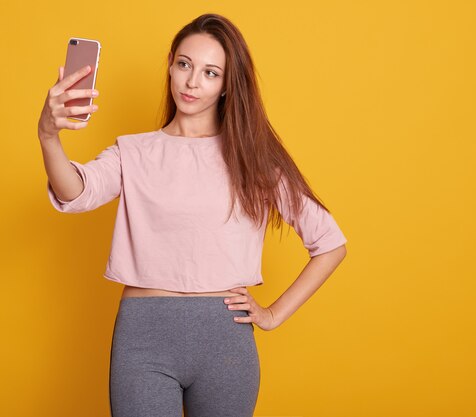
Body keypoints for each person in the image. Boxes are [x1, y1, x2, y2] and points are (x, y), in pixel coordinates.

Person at [37, 13, 347, 417]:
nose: (192, 81)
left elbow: (330, 244)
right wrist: (47, 135)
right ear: (170, 65)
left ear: (226, 86)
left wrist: (273, 314)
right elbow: (76, 191)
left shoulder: (253, 160)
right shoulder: (134, 151)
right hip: (142, 338)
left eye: (210, 72)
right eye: (184, 64)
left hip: (224, 342)